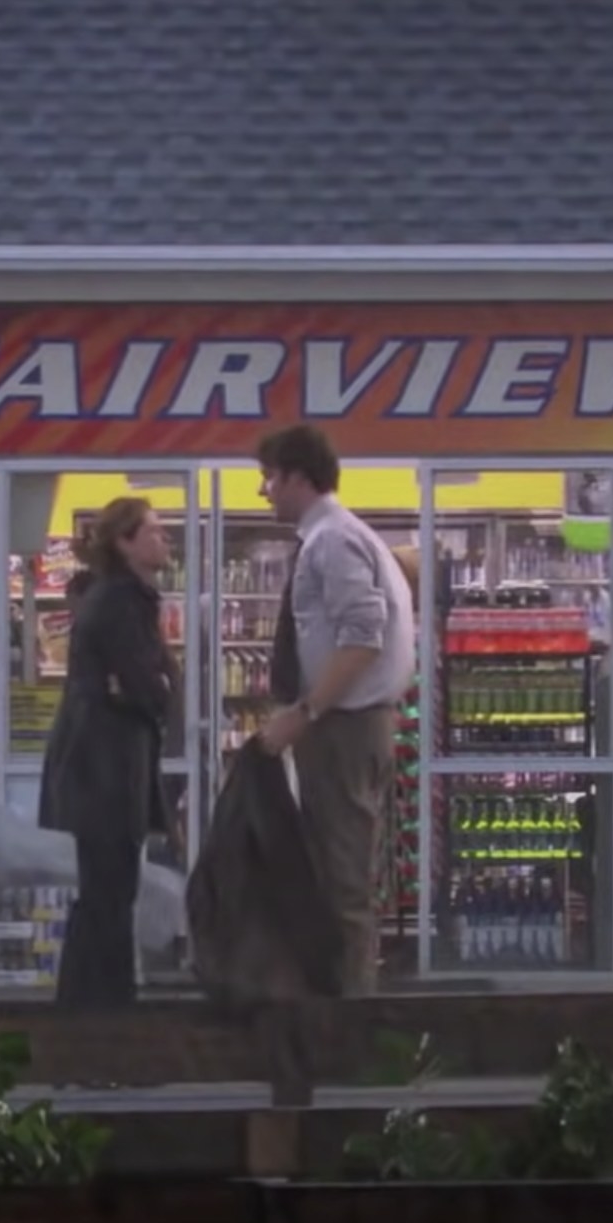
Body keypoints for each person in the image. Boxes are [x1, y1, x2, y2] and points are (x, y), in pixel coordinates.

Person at [252, 423, 417, 996]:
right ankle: (341, 1008)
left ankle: (350, 1026)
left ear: (298, 476)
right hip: (349, 724)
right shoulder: (344, 537)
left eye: (269, 478)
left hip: (344, 726)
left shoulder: (332, 541)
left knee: (342, 879)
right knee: (334, 868)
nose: (264, 491)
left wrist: (306, 710)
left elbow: (362, 635)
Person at [37, 496, 176, 1007]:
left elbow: (139, 682)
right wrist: (149, 687)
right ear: (125, 541)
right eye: (155, 530)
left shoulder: (120, 597)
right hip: (106, 771)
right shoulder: (121, 601)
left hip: (104, 767)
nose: (166, 539)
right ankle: (105, 1019)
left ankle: (86, 1017)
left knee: (106, 896)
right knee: (110, 898)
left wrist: (143, 685)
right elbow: (148, 686)